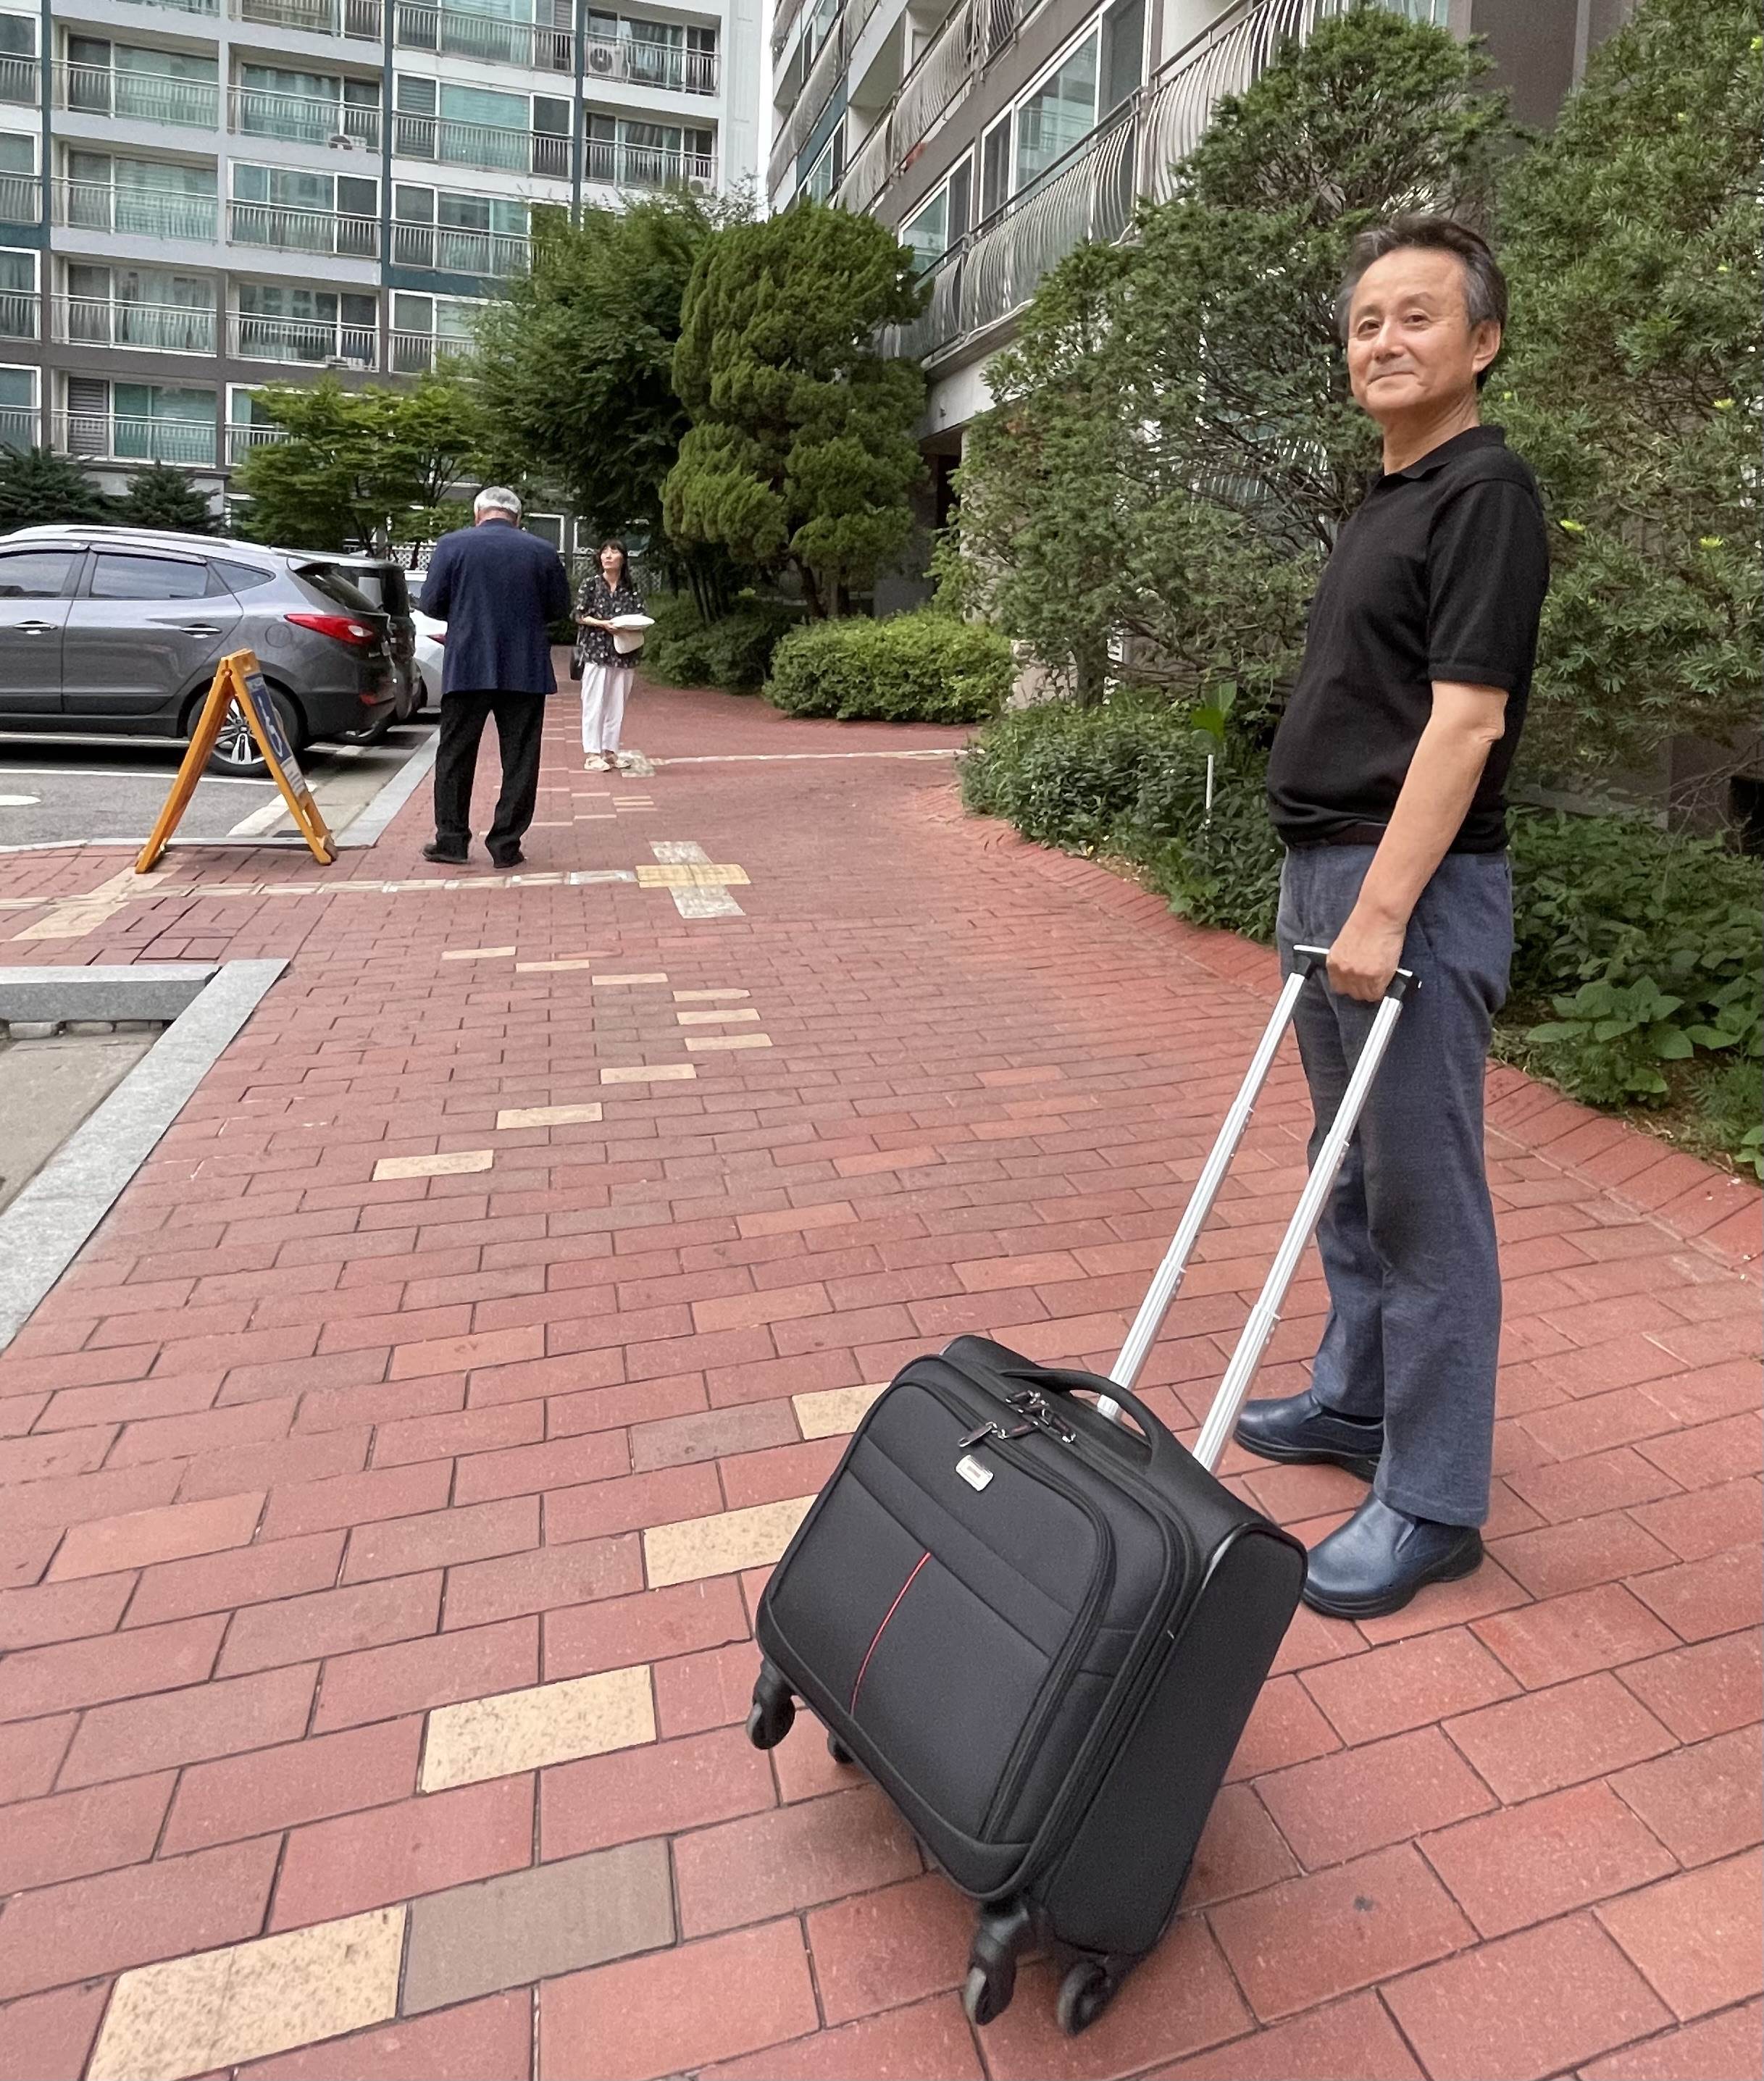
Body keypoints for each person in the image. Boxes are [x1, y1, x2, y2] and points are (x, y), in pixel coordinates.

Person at [1237, 215, 1550, 1620]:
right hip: (1331, 875)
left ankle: (1431, 1499)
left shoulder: (1484, 494)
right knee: (1348, 1172)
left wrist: (1378, 910)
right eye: (1365, 321)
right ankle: (1357, 1397)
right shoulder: (1389, 497)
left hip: (1404, 892)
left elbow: (1465, 721)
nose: (1383, 340)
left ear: (1481, 341)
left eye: (1415, 316)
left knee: (1423, 1198)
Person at [419, 486, 571, 868]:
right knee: (520, 759)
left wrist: (466, 611)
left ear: (478, 514)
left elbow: (431, 604)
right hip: (525, 668)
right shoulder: (542, 551)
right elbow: (559, 608)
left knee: (455, 755)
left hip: (467, 665)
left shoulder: (452, 546)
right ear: (517, 518)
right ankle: (506, 844)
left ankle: (451, 841)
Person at [574, 538, 644, 773]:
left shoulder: (631, 587)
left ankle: (610, 751)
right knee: (594, 703)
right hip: (597, 652)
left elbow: (641, 615)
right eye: (604, 552)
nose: (608, 556)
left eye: (614, 552)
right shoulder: (591, 584)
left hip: (624, 653)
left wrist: (626, 625)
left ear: (623, 558)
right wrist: (604, 624)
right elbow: (579, 615)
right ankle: (592, 753)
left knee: (617, 705)